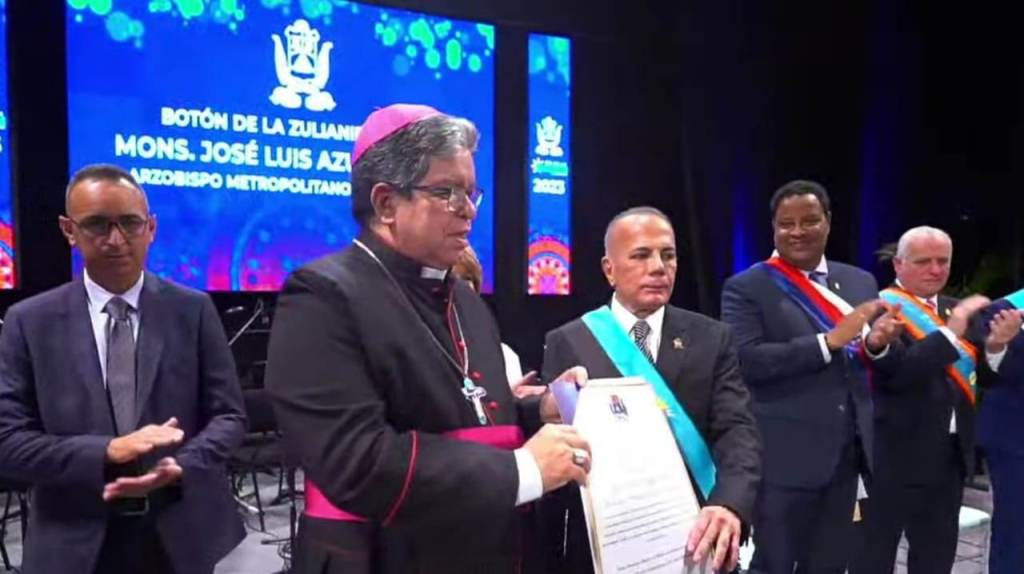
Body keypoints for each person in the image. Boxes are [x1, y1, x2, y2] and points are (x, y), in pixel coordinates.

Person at [264, 103, 590, 573]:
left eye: (470, 192)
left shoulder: (466, 301)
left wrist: (540, 408)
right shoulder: (322, 297)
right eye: (446, 192)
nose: (469, 210)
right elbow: (356, 459)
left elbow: (468, 413)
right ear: (385, 204)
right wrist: (523, 470)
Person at [0, 164, 246, 574]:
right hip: (73, 540)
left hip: (178, 533)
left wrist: (183, 465)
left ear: (151, 228)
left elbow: (229, 416)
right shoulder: (29, 322)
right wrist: (107, 451)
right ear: (69, 230)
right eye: (98, 224)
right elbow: (7, 442)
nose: (116, 239)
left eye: (130, 223)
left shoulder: (192, 310)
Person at [541, 207, 762, 573]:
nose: (659, 267)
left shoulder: (712, 337)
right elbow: (556, 444)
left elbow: (737, 431)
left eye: (668, 255)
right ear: (609, 269)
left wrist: (729, 503)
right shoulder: (569, 340)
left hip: (695, 535)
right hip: (608, 542)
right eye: (641, 255)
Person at [720, 179, 904, 573]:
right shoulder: (747, 287)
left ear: (828, 222)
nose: (798, 231)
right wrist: (828, 342)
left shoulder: (859, 281)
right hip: (782, 463)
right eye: (786, 224)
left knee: (830, 565)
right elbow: (747, 360)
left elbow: (869, 361)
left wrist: (876, 345)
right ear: (773, 228)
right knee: (773, 566)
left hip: (847, 459)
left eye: (809, 221)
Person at [854, 226, 1019, 573]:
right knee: (873, 560)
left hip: (948, 461)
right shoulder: (879, 309)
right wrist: (951, 330)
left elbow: (983, 379)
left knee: (935, 560)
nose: (935, 269)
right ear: (898, 264)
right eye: (923, 261)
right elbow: (900, 374)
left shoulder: (956, 311)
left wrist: (996, 347)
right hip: (889, 461)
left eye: (943, 261)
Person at [975, 287, 1024, 574]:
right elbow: (988, 373)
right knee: (1015, 530)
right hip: (1015, 441)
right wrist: (997, 346)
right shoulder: (1003, 310)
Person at [451, 245, 544, 397]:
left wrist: (514, 403)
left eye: (465, 280)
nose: (458, 289)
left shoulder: (504, 354)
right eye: (452, 280)